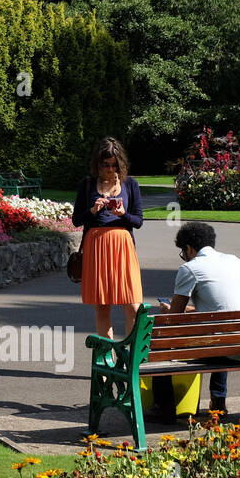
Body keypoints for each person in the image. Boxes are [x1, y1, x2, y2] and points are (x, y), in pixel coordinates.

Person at [153, 221, 240, 419]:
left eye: (183, 252)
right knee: (223, 333)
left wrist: (169, 311)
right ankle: (218, 401)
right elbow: (226, 307)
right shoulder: (235, 261)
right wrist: (191, 310)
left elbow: (173, 319)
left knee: (160, 344)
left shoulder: (191, 268)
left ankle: (164, 407)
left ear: (189, 248)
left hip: (226, 346)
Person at [72, 136, 144, 340]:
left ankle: (130, 358)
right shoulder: (87, 184)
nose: (110, 170)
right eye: (106, 165)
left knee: (132, 304)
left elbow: (138, 221)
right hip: (96, 248)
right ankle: (107, 363)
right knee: (103, 307)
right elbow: (77, 220)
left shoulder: (130, 184)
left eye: (114, 165)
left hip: (123, 247)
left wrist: (123, 215)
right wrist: (93, 210)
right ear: (98, 163)